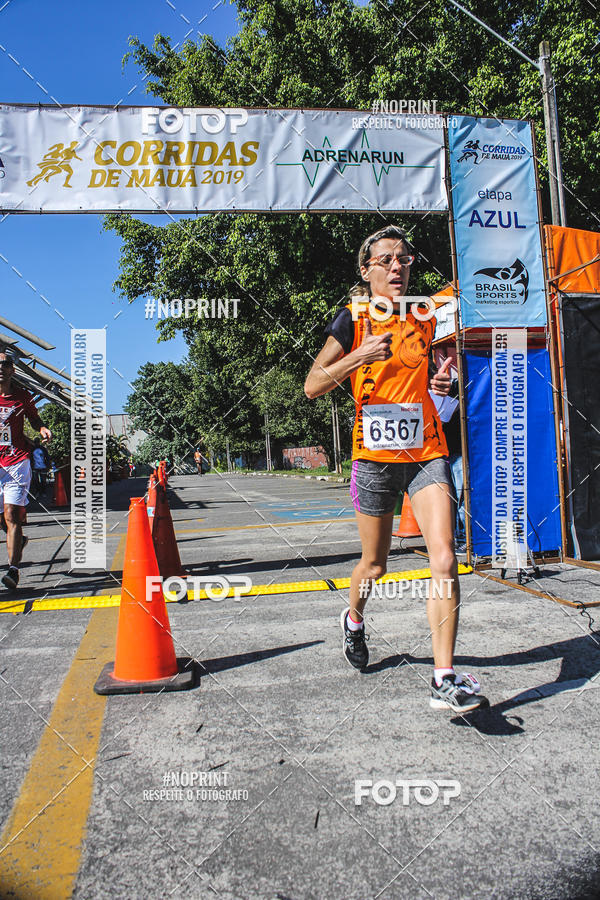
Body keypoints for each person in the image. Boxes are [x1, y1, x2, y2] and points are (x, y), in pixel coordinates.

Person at [304, 225, 485, 712]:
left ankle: (443, 678)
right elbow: (313, 385)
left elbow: (425, 374)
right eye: (385, 260)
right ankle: (354, 619)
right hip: (374, 458)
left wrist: (439, 384)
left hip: (426, 451)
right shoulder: (353, 318)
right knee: (376, 564)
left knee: (443, 558)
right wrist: (359, 355)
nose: (397, 266)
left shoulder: (424, 315)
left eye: (404, 258)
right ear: (366, 271)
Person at [0, 352, 52, 590]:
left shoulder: (22, 396)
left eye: (5, 364)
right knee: (3, 519)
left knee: (12, 514)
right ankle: (19, 540)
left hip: (16, 461)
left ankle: (13, 570)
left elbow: (34, 418)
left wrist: (42, 429)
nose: (1, 368)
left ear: (12, 370)